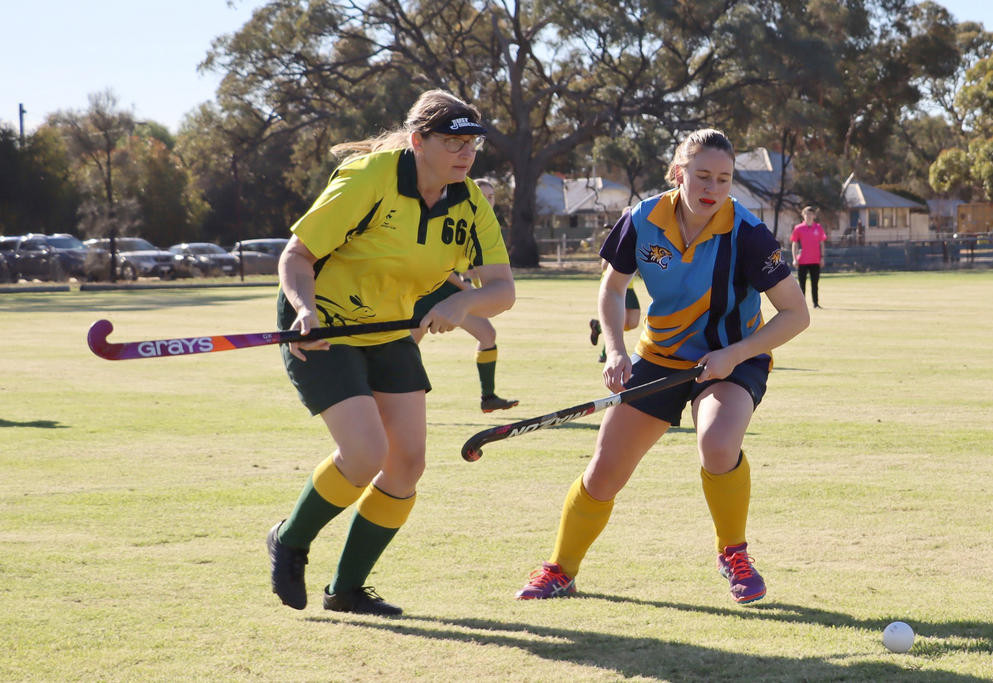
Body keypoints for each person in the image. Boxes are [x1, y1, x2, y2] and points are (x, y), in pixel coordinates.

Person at [515, 129, 809, 605]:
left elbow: (796, 314)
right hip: (659, 358)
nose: (712, 187)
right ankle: (560, 570)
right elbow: (612, 289)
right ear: (679, 173)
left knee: (716, 443)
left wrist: (733, 355)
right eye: (702, 175)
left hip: (732, 359)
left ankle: (733, 553)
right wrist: (615, 350)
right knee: (603, 472)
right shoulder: (643, 218)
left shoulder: (749, 234)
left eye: (724, 178)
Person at [267, 89, 515, 616]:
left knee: (406, 464)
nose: (465, 153)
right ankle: (290, 540)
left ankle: (347, 590)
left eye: (472, 143)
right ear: (418, 140)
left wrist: (466, 301)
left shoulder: (469, 202)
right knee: (364, 454)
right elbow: (297, 255)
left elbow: (502, 289)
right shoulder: (369, 177)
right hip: (323, 327)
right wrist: (304, 313)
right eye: (452, 142)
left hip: (387, 333)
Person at [412, 177, 518, 412]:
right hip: (434, 288)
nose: (488, 200)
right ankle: (387, 399)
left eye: (492, 196)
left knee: (487, 334)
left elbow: (479, 268)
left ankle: (488, 397)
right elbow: (440, 266)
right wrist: (466, 290)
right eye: (484, 195)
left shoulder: (484, 224)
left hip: (455, 291)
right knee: (407, 346)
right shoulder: (453, 214)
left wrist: (477, 290)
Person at [589, 262, 641, 363]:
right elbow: (603, 265)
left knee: (632, 323)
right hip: (615, 285)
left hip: (628, 286)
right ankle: (605, 355)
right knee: (618, 323)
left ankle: (598, 327)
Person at [790, 206, 827, 308]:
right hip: (802, 261)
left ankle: (815, 303)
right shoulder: (798, 228)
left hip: (815, 260)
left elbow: (822, 243)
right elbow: (795, 244)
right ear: (803, 215)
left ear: (814, 216)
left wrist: (822, 257)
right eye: (806, 214)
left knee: (815, 283)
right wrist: (794, 258)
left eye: (811, 214)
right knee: (802, 285)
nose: (809, 216)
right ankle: (802, 305)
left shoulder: (818, 228)